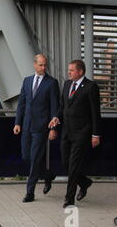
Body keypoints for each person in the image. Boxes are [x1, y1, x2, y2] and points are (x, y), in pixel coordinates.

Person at [49, 60, 102, 208]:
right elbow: (62, 107)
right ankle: (84, 182)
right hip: (66, 132)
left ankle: (69, 198)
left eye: (72, 70)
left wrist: (96, 134)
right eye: (69, 70)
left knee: (73, 165)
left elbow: (95, 113)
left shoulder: (91, 87)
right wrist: (56, 118)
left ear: (80, 72)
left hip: (82, 132)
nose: (69, 72)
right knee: (65, 163)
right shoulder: (67, 85)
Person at [14, 55, 60, 203]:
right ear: (34, 65)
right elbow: (22, 103)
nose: (43, 68)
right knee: (26, 156)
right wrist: (17, 123)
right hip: (26, 125)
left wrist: (53, 128)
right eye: (41, 65)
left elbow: (55, 107)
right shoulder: (27, 81)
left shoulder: (52, 83)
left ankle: (30, 192)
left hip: (41, 127)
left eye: (45, 65)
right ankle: (47, 175)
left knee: (34, 159)